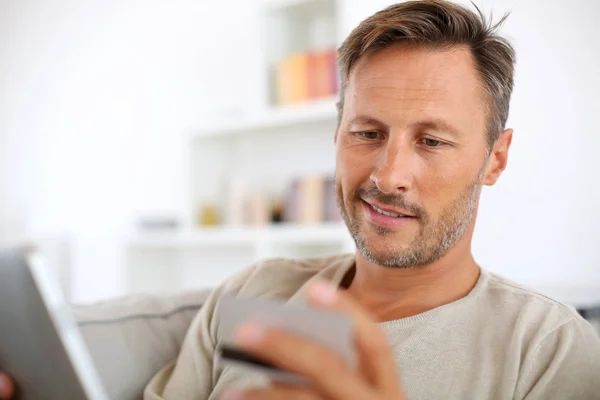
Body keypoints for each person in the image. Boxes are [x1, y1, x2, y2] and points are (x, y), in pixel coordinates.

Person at [2, 1, 599, 399]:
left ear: (495, 157)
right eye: (367, 133)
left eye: (433, 141)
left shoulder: (545, 349)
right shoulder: (254, 295)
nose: (389, 175)